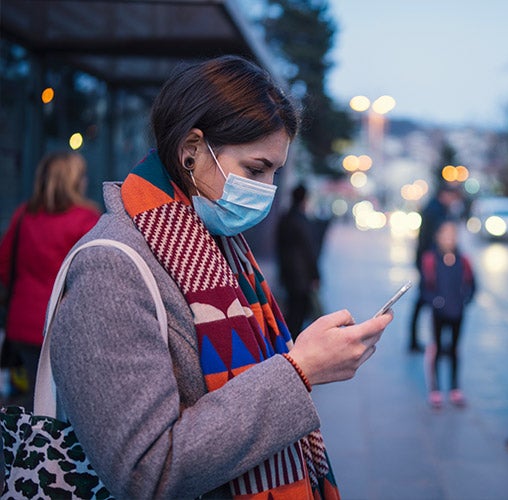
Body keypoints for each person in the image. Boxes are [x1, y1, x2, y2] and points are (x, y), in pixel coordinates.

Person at [46, 55, 392, 499]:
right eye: (255, 169)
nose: (266, 188)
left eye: (274, 172)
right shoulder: (111, 267)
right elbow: (146, 472)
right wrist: (301, 370)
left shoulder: (219, 245)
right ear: (191, 151)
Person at [0, 151, 100, 407]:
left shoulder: (23, 215)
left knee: (37, 397)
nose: (86, 180)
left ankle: (35, 443)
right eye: (82, 176)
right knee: (68, 405)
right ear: (73, 181)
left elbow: (4, 266)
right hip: (63, 326)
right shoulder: (86, 220)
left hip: (22, 325)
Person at [421, 219, 475, 408]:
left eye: (453, 235)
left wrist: (465, 300)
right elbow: (424, 287)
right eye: (445, 234)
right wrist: (435, 301)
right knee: (436, 348)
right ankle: (435, 389)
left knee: (454, 349)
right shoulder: (430, 259)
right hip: (439, 312)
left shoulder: (463, 260)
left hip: (458, 311)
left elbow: (472, 285)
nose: (449, 239)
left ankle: (454, 387)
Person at [408, 183, 463, 353]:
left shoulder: (434, 207)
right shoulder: (436, 210)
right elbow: (429, 239)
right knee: (426, 300)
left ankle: (418, 340)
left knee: (424, 301)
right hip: (431, 263)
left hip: (427, 261)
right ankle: (426, 342)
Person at [275, 183, 321, 339]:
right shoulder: (301, 220)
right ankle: (291, 343)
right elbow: (309, 250)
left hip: (288, 272)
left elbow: (279, 247)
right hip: (301, 275)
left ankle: (287, 340)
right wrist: (315, 275)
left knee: (292, 309)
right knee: (298, 312)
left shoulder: (285, 217)